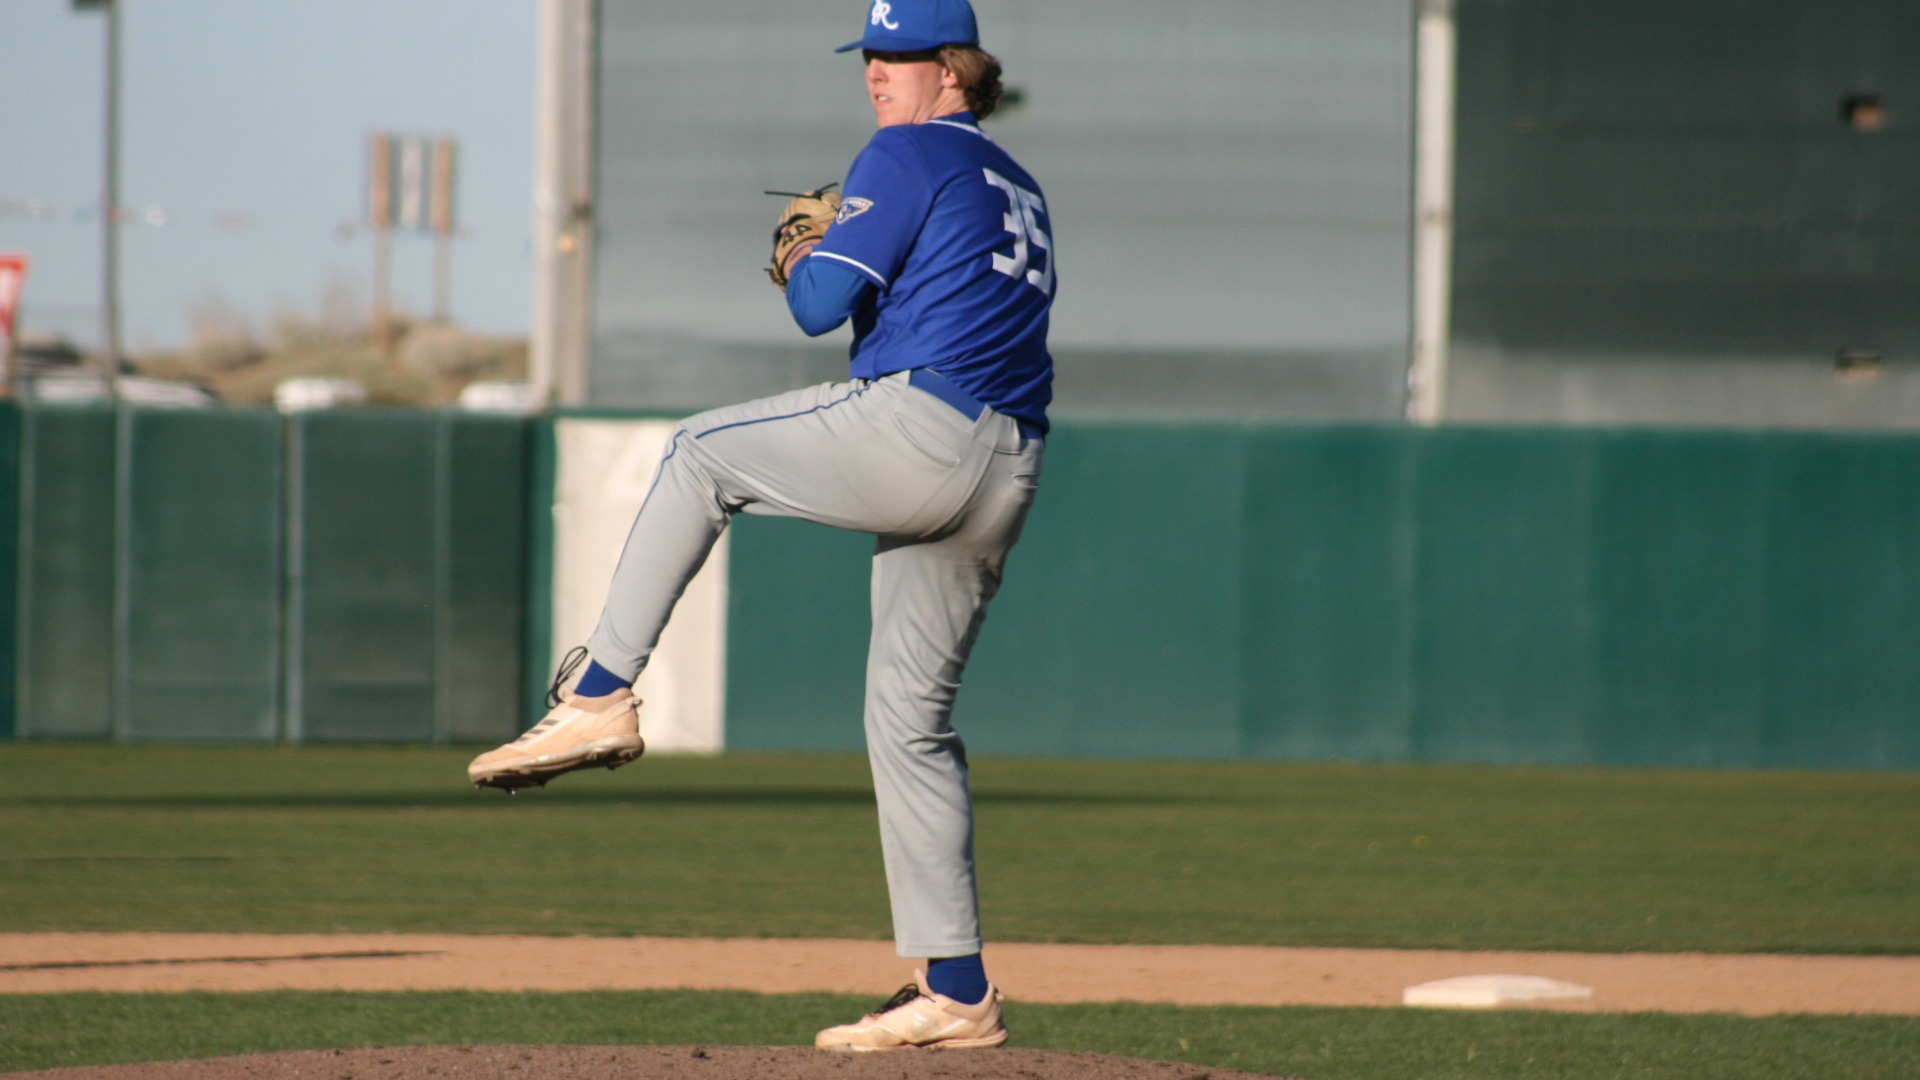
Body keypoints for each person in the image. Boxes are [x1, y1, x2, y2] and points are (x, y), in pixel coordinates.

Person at [467, 0, 1055, 1053]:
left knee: (698, 453)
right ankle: (956, 992)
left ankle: (598, 694)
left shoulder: (908, 152)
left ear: (954, 68)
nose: (878, 73)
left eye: (901, 55)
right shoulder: (1016, 180)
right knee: (909, 724)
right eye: (870, 56)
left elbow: (818, 307)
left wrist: (807, 248)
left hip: (925, 430)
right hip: (1008, 463)